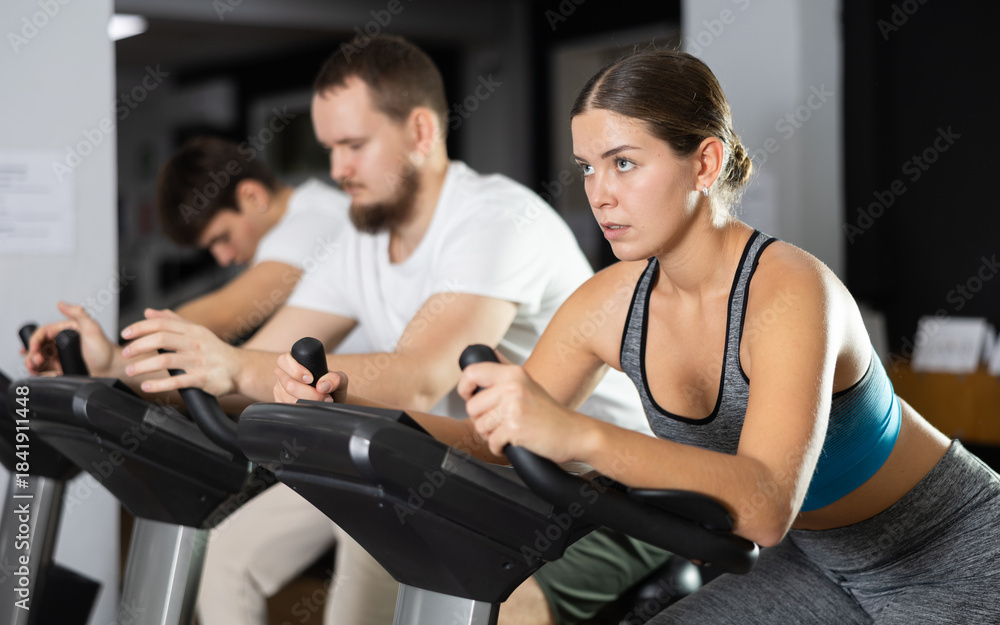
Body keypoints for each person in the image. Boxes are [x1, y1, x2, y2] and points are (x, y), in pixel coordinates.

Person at [27, 36, 673, 625]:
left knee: (507, 611)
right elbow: (252, 361)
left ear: (420, 130)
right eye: (329, 148)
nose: (336, 169)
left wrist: (235, 366)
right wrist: (110, 364)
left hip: (600, 483)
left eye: (353, 146)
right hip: (463, 467)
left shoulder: (495, 219)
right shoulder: (358, 243)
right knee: (235, 558)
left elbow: (419, 379)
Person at [424, 49, 999, 624]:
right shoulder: (609, 304)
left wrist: (578, 435)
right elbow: (496, 439)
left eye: (623, 163)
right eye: (587, 168)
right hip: (814, 563)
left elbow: (765, 507)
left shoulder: (791, 292)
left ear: (705, 164)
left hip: (950, 552)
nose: (599, 194)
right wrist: (374, 415)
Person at [156, 135, 352, 343]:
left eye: (223, 237)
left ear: (253, 196)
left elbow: (224, 316)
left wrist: (145, 337)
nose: (223, 259)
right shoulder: (316, 206)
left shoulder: (314, 221)